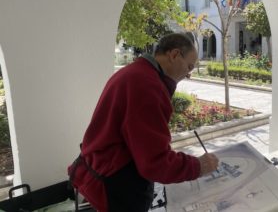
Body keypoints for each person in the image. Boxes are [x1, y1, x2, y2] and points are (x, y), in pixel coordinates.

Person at [68, 33, 219, 212]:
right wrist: (198, 166)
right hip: (115, 183)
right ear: (174, 55)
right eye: (189, 66)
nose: (188, 75)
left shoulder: (135, 72)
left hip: (101, 169)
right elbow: (156, 163)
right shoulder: (148, 86)